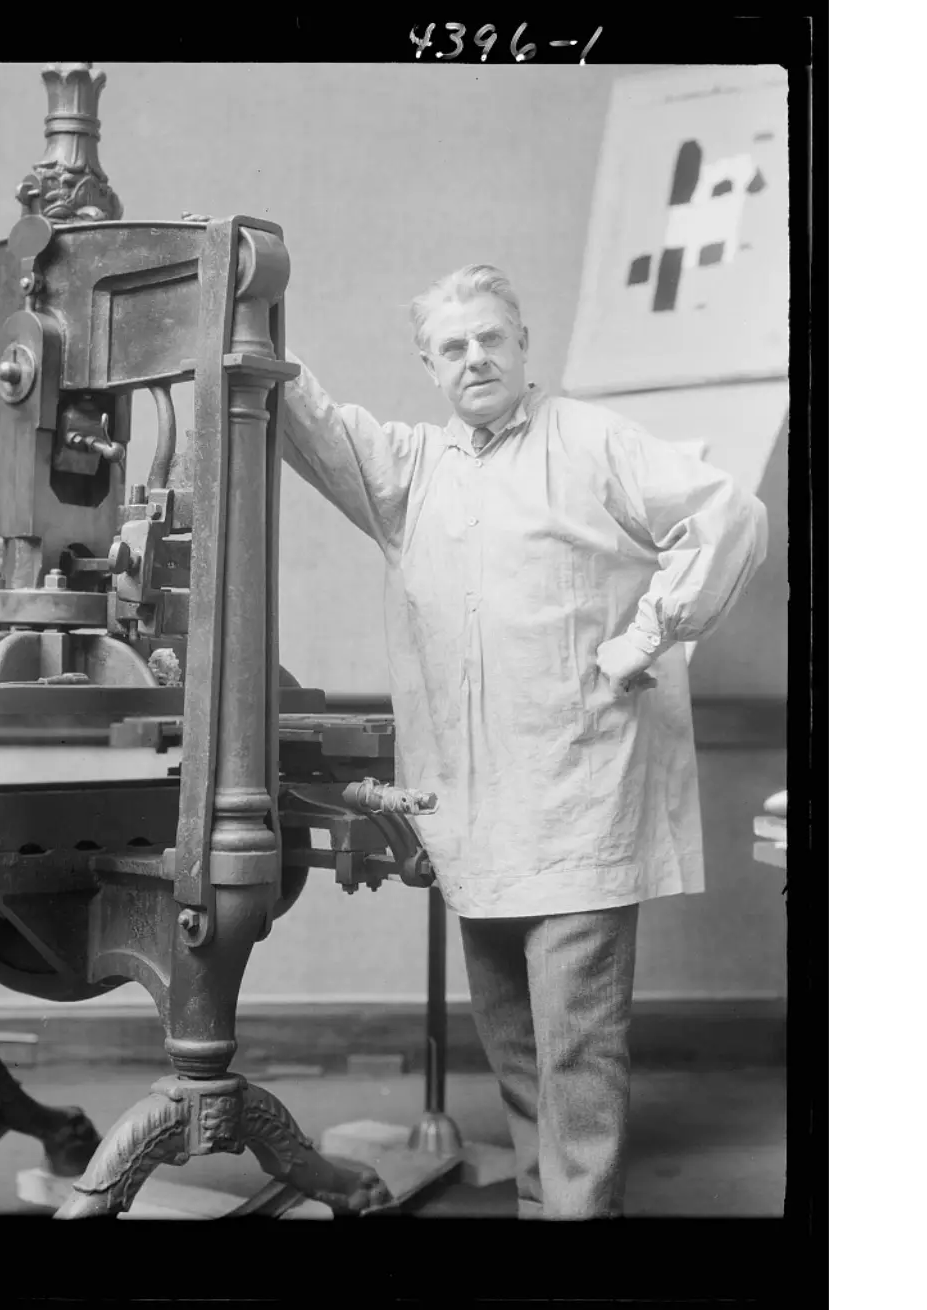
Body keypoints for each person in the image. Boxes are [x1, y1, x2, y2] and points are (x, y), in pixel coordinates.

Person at [274, 264, 770, 1218]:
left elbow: (731, 515)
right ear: (429, 365)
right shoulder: (413, 470)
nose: (475, 358)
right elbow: (316, 427)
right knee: (515, 1053)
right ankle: (551, 1217)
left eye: (491, 338)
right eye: (453, 347)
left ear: (522, 344)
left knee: (576, 1051)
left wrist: (641, 640)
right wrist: (246, 315)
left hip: (580, 795)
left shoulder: (590, 441)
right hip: (473, 805)